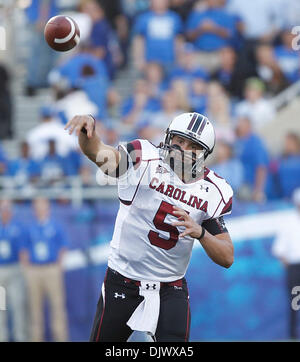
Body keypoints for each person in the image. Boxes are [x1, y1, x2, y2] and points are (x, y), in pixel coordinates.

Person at [65, 111, 234, 342]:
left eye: (192, 146)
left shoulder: (213, 191)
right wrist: (88, 132)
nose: (182, 149)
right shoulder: (143, 158)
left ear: (203, 154)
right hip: (123, 279)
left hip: (170, 288)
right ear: (168, 138)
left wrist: (201, 232)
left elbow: (227, 257)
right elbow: (98, 153)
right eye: (179, 140)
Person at [21, 198, 69, 342]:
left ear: (47, 208)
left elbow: (63, 247)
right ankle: (36, 338)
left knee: (57, 306)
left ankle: (60, 338)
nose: (40, 209)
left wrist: (58, 266)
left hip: (51, 268)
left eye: (42, 206)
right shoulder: (30, 228)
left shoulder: (55, 226)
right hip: (34, 270)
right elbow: (24, 250)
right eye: (37, 207)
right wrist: (27, 269)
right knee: (34, 308)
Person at [272, 188, 300, 340]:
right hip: (295, 268)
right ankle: (294, 335)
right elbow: (279, 249)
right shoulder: (288, 223)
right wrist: (289, 265)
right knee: (295, 303)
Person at [0, 200, 28, 342]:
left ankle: (20, 337)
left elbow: (22, 251)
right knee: (1, 308)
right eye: (2, 209)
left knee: (17, 305)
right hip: (0, 272)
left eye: (7, 209)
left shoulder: (17, 227)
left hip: (14, 269)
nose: (5, 213)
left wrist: (24, 270)